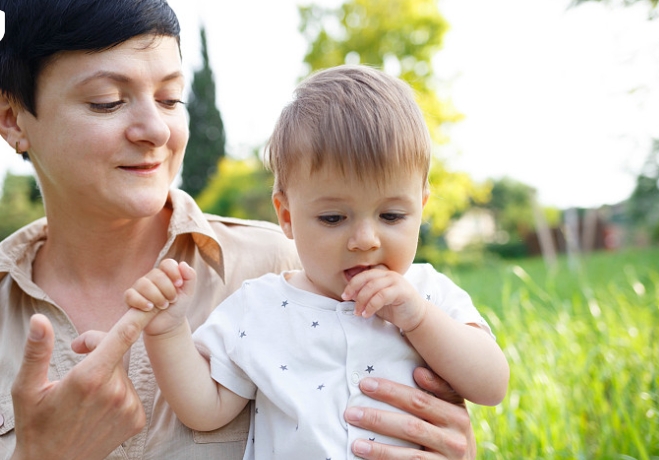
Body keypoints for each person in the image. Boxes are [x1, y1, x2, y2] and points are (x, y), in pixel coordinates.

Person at [0, 1, 480, 459]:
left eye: (170, 99)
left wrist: (455, 448)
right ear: (12, 118)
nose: (157, 129)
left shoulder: (299, 266)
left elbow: (464, 405)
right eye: (107, 102)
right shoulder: (265, 304)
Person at [120, 65, 509, 459]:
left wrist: (420, 318)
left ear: (421, 207)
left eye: (391, 216)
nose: (365, 241)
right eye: (333, 218)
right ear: (286, 216)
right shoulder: (260, 306)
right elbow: (206, 409)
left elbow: (491, 386)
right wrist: (167, 332)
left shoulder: (429, 292)